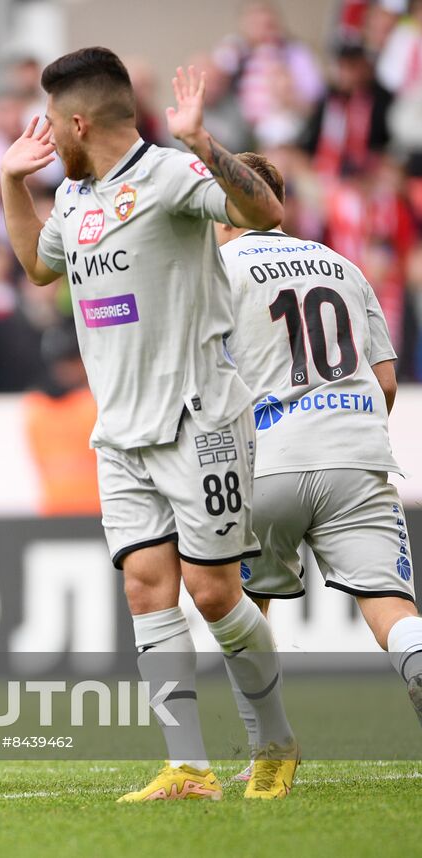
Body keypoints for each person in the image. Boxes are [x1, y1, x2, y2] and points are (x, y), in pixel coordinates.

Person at [0, 47, 297, 801]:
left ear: (76, 121)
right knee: (145, 587)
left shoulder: (168, 175)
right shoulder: (72, 198)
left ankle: (275, 743)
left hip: (199, 419)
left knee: (214, 592)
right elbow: (39, 266)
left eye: (52, 127)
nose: (48, 142)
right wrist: (11, 182)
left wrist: (203, 144)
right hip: (121, 432)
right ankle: (189, 768)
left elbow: (265, 213)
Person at [214, 152, 422, 778]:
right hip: (357, 454)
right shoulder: (343, 264)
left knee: (245, 606)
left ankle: (269, 749)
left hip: (266, 462)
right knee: (391, 606)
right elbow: (385, 381)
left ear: (227, 206)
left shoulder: (215, 269)